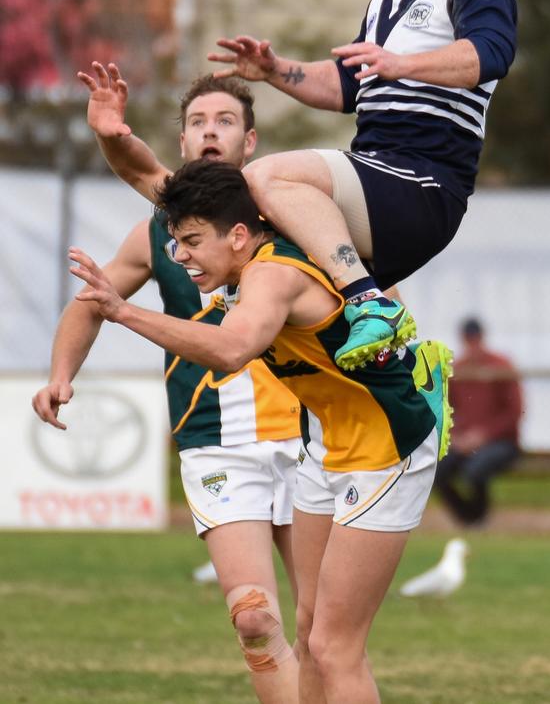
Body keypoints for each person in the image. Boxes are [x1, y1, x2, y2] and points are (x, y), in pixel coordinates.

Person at [66, 157, 454, 704]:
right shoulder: (243, 257)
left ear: (240, 234)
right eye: (176, 243)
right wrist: (112, 139)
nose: (182, 258)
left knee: (335, 648)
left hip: (385, 446)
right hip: (327, 443)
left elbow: (230, 350)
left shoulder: (272, 273)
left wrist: (121, 312)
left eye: (193, 242)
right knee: (308, 630)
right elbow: (164, 187)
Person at [32, 68, 302, 704]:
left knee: (323, 632)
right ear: (183, 143)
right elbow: (93, 300)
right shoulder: (159, 232)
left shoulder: (287, 211)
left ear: (251, 140)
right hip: (214, 442)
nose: (211, 132)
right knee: (256, 622)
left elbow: (369, 286)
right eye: (199, 123)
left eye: (225, 121)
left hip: (310, 434)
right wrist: (60, 375)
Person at [206, 0, 517, 371]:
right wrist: (276, 70)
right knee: (276, 264)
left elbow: (490, 55)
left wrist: (401, 63)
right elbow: (347, 86)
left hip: (423, 182)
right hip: (376, 175)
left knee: (265, 176)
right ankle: (413, 371)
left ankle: (370, 301)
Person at [434, 317, 523, 525]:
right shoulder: (457, 369)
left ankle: (478, 519)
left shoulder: (501, 366)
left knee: (475, 469)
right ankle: (468, 518)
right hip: (464, 442)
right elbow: (447, 410)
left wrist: (483, 435)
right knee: (437, 470)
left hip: (501, 442)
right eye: (468, 339)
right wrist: (456, 436)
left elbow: (513, 413)